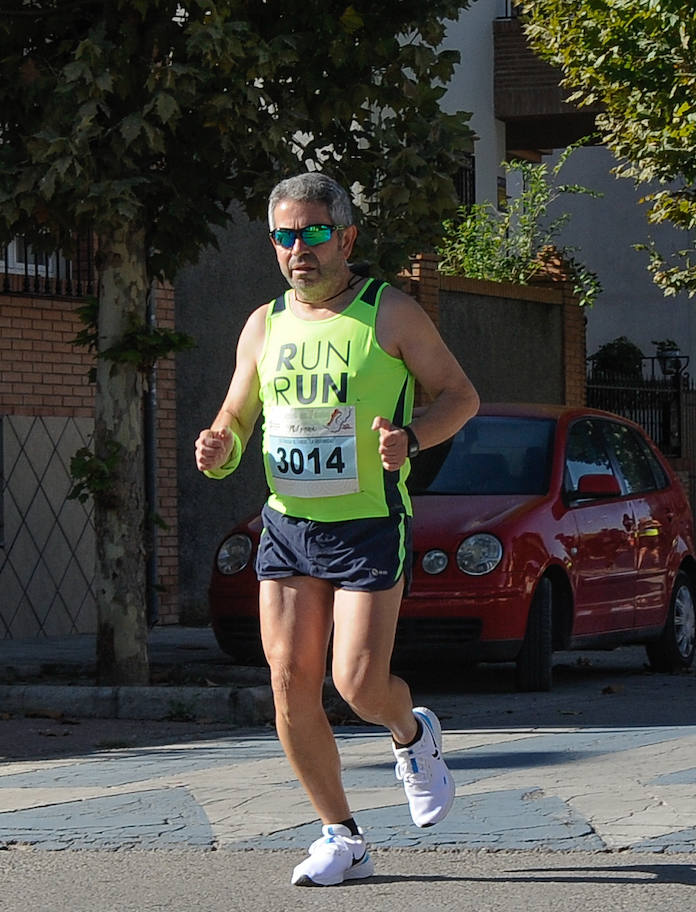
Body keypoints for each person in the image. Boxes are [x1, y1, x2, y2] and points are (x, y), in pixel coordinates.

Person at [195, 172, 479, 886]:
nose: (300, 249)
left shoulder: (392, 314)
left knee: (356, 683)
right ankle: (340, 834)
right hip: (289, 523)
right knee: (290, 683)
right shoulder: (264, 324)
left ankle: (412, 734)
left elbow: (461, 396)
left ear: (346, 237)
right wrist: (220, 443)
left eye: (315, 233)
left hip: (368, 523)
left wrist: (411, 439)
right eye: (286, 236)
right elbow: (236, 414)